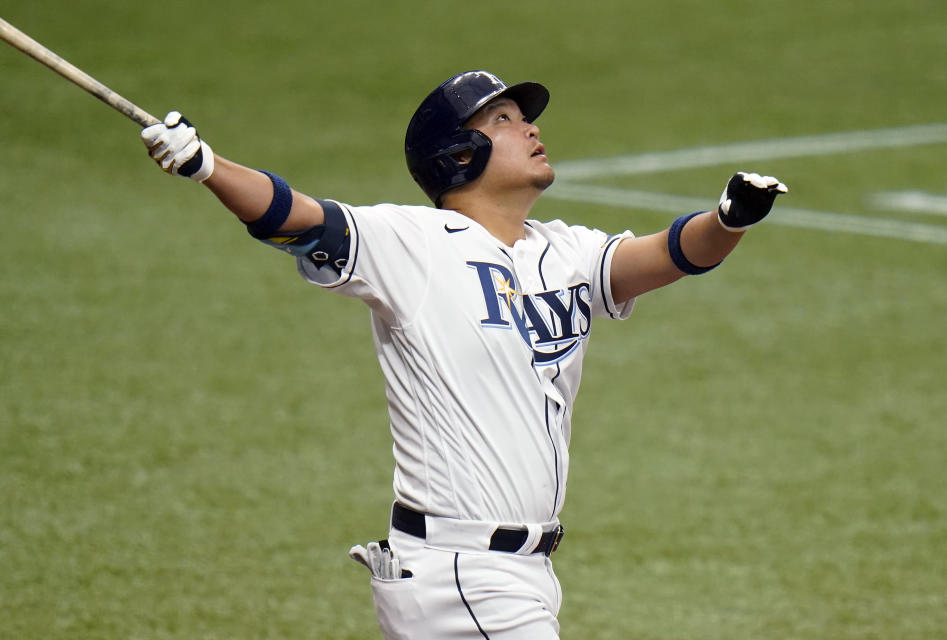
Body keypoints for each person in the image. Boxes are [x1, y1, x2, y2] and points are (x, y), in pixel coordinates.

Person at [140, 70, 787, 639]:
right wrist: (207, 167)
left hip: (520, 574)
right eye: (503, 120)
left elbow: (672, 255)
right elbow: (300, 219)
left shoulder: (565, 253)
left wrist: (729, 219)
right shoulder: (414, 245)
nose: (529, 128)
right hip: (460, 573)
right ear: (459, 154)